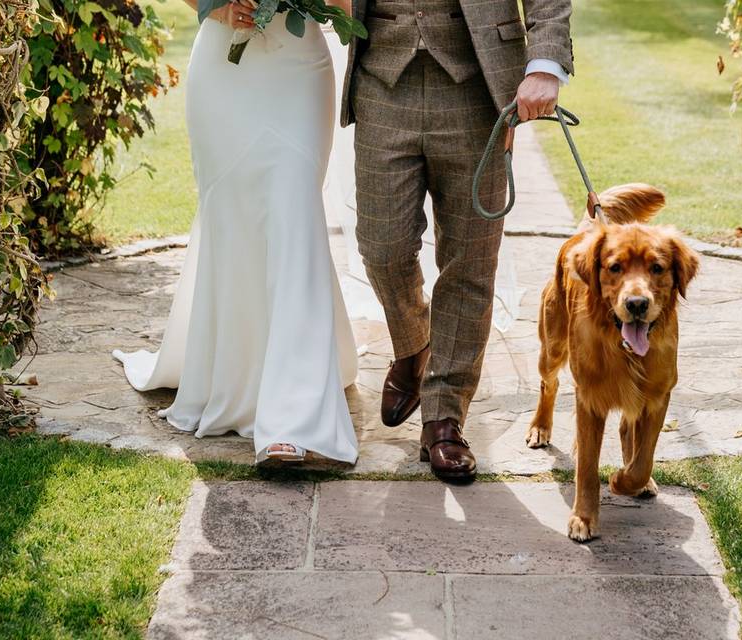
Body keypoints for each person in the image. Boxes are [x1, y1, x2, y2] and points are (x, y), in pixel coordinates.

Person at [112, 0, 360, 466]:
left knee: (294, 213)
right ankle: (235, 375)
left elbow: (346, 5)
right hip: (222, 73)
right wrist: (218, 5)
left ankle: (295, 417)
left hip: (298, 72)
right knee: (232, 216)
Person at [338, 0, 574, 482]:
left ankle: (444, 418)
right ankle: (415, 343)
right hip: (383, 83)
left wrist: (545, 64)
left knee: (470, 260)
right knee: (382, 248)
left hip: (479, 89)